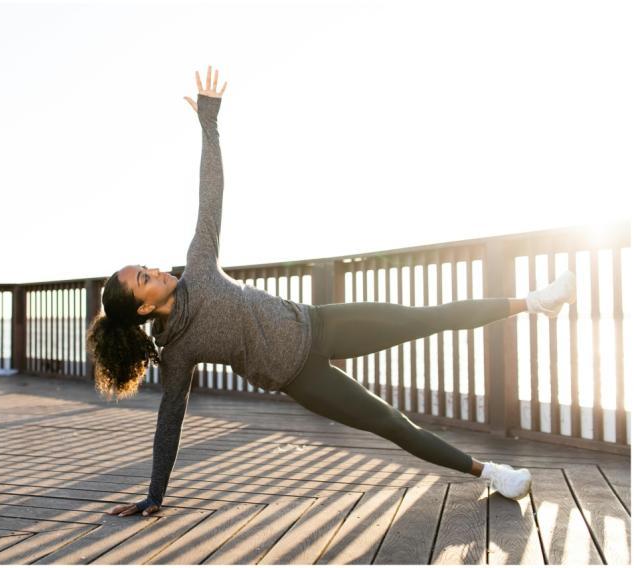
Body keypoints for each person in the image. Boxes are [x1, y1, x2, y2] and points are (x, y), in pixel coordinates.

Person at [92, 66, 576, 518]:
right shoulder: (178, 351)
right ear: (144, 307)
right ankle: (494, 474)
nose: (155, 270)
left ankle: (536, 302)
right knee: (391, 423)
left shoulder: (198, 264)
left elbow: (210, 192)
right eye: (144, 279)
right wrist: (154, 495)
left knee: (426, 317)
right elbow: (169, 419)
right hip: (302, 378)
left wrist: (209, 123)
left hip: (320, 322)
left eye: (146, 267)